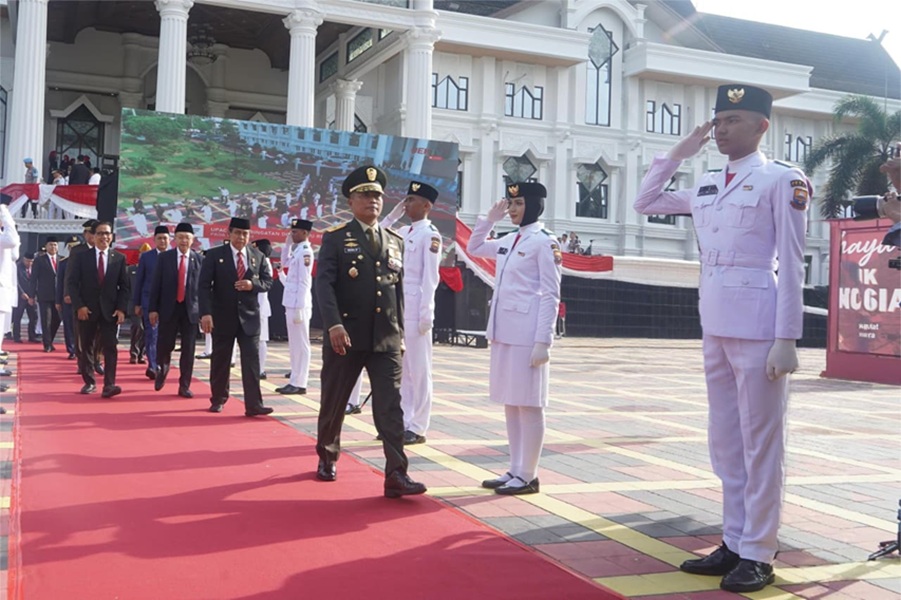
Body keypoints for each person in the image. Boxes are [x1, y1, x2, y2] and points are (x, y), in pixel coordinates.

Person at [633, 83, 809, 593]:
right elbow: (645, 202)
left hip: (759, 324)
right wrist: (678, 152)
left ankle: (759, 551)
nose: (722, 130)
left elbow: (793, 262)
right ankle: (734, 540)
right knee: (726, 441)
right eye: (718, 121)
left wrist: (787, 337)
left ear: (761, 126)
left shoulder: (782, 179)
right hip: (714, 320)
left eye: (734, 120)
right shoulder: (708, 182)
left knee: (762, 443)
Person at [314, 165, 426, 499]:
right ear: (351, 201)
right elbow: (324, 285)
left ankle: (396, 474)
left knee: (391, 407)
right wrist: (333, 324)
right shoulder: (336, 237)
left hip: (385, 338)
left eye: (377, 195)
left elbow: (398, 291)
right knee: (335, 401)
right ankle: (327, 456)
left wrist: (400, 334)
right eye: (365, 194)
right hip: (345, 336)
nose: (372, 200)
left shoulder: (395, 241)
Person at [467, 181, 562, 496]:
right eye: (510, 204)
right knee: (511, 402)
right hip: (505, 330)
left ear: (535, 205)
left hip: (527, 334)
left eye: (519, 203)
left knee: (530, 404)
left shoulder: (544, 242)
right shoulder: (510, 239)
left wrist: (543, 341)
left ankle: (529, 475)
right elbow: (475, 247)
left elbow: (550, 294)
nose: (512, 210)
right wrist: (488, 220)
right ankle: (515, 469)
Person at [378, 181, 442, 445]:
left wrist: (428, 312)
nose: (407, 204)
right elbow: (377, 235)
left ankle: (419, 425)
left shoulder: (431, 235)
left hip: (416, 308)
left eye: (412, 200)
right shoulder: (404, 231)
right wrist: (392, 217)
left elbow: (431, 277)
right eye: (406, 199)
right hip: (399, 305)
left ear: (426, 205)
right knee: (402, 368)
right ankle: (403, 421)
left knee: (419, 369)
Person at [198, 217, 273, 415]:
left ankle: (254, 404)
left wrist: (252, 285)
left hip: (249, 318)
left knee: (251, 363)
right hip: (223, 317)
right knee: (221, 361)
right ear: (229, 233)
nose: (241, 237)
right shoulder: (215, 255)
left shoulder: (257, 255)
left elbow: (268, 282)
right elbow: (203, 286)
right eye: (237, 233)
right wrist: (206, 313)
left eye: (245, 234)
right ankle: (218, 399)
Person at [67, 221, 130, 397]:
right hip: (87, 310)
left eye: (107, 233)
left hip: (110, 311)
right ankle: (89, 382)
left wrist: (121, 309)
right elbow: (72, 283)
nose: (104, 237)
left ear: (111, 236)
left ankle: (109, 384)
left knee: (110, 347)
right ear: (93, 236)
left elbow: (124, 287)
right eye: (100, 233)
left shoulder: (119, 258)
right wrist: (79, 306)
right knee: (87, 346)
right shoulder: (81, 257)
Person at [149, 223, 202, 398]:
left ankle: (184, 385)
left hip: (190, 310)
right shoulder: (165, 258)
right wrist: (153, 309)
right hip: (168, 308)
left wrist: (204, 313)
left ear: (192, 240)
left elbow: (204, 289)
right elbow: (156, 284)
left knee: (188, 349)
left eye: (187, 237)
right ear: (175, 239)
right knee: (165, 345)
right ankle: (162, 369)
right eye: (180, 237)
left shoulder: (199, 260)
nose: (183, 241)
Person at [275, 219, 314, 396]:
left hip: (299, 304)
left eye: (295, 232)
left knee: (302, 344)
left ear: (305, 233)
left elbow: (305, 282)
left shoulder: (306, 252)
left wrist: (299, 307)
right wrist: (287, 245)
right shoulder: (297, 250)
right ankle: (294, 379)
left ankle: (300, 382)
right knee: (294, 344)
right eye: (292, 231)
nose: (292, 234)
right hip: (291, 302)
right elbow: (284, 263)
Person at [134, 226, 171, 381]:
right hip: (149, 302)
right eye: (159, 238)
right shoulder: (147, 257)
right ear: (154, 240)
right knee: (152, 334)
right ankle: (153, 366)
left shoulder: (174, 256)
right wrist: (137, 303)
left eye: (165, 238)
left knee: (165, 335)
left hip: (169, 303)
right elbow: (139, 280)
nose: (162, 241)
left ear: (169, 240)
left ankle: (162, 363)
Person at [0, 202, 21, 364]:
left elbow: (15, 254)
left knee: (1, 327)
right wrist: (3, 211)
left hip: (4, 288)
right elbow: (12, 240)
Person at [33, 237, 62, 352]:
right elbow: (33, 279)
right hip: (44, 295)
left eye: (55, 245)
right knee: (46, 320)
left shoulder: (62, 260)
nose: (53, 247)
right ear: (46, 246)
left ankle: (50, 340)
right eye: (51, 245)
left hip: (58, 296)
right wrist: (32, 295)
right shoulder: (39, 260)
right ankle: (47, 345)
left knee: (57, 319)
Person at [55, 236, 80, 359]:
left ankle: (81, 349)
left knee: (82, 326)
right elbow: (60, 283)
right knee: (69, 325)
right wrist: (58, 300)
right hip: (67, 299)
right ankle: (72, 349)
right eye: (71, 247)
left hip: (82, 299)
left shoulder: (85, 261)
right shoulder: (64, 262)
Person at [252, 239, 273, 380]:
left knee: (261, 339)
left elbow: (264, 285)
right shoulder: (259, 261)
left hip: (261, 306)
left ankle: (261, 369)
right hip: (254, 305)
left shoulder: (265, 263)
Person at [12, 252, 39, 343]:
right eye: (27, 261)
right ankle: (16, 336)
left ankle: (32, 336)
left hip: (31, 296)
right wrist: (22, 293)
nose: (29, 263)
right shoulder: (17, 267)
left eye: (31, 261)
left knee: (34, 317)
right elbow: (15, 281)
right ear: (24, 259)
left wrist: (33, 295)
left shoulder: (35, 267)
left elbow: (36, 281)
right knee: (17, 317)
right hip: (21, 296)